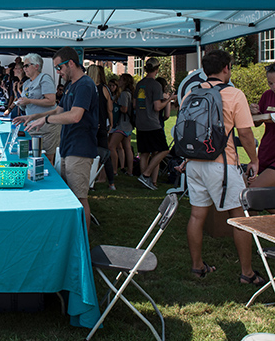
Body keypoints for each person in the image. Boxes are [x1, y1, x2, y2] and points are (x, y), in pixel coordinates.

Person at [185, 49, 265, 286]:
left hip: (195, 162)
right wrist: (254, 159)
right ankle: (247, 273)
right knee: (239, 218)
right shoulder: (234, 94)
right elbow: (246, 134)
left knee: (197, 215)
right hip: (222, 165)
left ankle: (197, 266)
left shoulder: (192, 92)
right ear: (226, 68)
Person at [15, 47, 98, 232]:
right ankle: (72, 235)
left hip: (81, 148)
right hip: (69, 146)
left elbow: (75, 116)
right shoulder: (71, 85)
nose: (58, 72)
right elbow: (59, 110)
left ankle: (82, 241)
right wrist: (33, 117)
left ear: (70, 63)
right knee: (70, 195)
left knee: (79, 199)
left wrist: (45, 119)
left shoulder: (85, 84)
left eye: (59, 67)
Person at [134, 57, 176, 190]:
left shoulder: (140, 84)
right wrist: (169, 99)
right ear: (157, 69)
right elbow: (157, 107)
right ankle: (146, 175)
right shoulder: (156, 85)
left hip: (140, 123)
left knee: (144, 153)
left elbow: (135, 104)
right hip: (152, 123)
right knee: (163, 150)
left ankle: (146, 180)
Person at [13, 53, 61, 164]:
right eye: (24, 66)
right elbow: (27, 103)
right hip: (33, 125)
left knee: (47, 159)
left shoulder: (44, 78)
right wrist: (21, 103)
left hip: (47, 126)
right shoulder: (26, 83)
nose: (24, 69)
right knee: (35, 156)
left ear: (36, 66)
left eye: (26, 66)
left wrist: (29, 101)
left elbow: (51, 101)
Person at [86, 64, 115, 188]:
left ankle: (89, 181)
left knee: (87, 154)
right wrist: (111, 123)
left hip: (89, 126)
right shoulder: (105, 89)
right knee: (105, 154)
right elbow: (110, 109)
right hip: (102, 125)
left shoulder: (87, 88)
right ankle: (111, 182)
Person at [249, 62, 275, 188]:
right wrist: (254, 113)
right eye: (270, 83)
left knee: (252, 194)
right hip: (267, 151)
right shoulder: (267, 95)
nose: (273, 86)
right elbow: (256, 123)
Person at [109, 73, 135, 180]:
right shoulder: (129, 93)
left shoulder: (124, 94)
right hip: (128, 125)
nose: (119, 81)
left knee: (111, 146)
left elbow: (124, 109)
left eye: (121, 79)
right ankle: (130, 171)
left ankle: (114, 170)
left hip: (122, 125)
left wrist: (115, 106)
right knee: (127, 147)